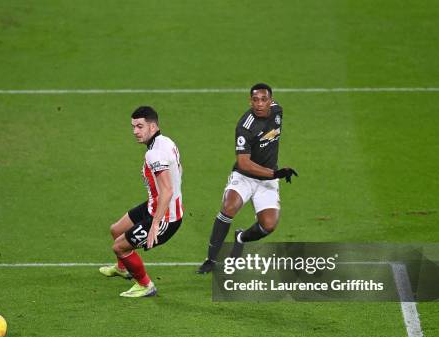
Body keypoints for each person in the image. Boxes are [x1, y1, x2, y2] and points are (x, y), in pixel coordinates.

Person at [197, 83, 298, 274]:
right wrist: (275, 174)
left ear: (271, 100)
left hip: (267, 180)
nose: (259, 104)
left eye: (263, 99)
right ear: (249, 101)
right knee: (228, 207)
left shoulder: (278, 111)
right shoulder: (245, 126)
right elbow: (244, 163)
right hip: (245, 177)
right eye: (255, 100)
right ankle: (210, 259)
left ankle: (241, 238)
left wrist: (271, 175)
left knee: (268, 225)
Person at [99, 106, 184, 297]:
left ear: (152, 127)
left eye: (140, 126)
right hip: (153, 205)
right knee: (116, 230)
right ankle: (123, 269)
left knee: (119, 247)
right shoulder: (166, 141)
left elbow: (168, 191)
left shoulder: (153, 154)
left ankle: (145, 285)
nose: (135, 132)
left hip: (164, 218)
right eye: (133, 127)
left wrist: (155, 224)